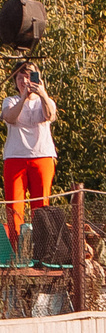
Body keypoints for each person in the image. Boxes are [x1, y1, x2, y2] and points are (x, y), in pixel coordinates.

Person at [2, 61, 57, 246]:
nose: (25, 80)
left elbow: (50, 115)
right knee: (15, 207)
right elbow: (9, 117)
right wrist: (24, 96)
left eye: (29, 76)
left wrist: (41, 94)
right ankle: (16, 252)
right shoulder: (10, 101)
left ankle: (43, 249)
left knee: (41, 207)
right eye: (20, 77)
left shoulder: (46, 100)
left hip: (42, 157)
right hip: (15, 158)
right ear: (15, 80)